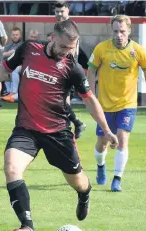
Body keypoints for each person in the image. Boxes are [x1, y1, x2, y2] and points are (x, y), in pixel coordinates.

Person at [0, 20, 118, 231]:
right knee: (11, 167)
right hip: (26, 129)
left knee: (77, 182)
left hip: (58, 133)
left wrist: (106, 130)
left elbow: (90, 100)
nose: (67, 52)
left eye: (72, 48)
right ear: (52, 37)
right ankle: (28, 226)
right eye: (64, 47)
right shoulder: (28, 49)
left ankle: (85, 193)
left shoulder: (72, 67)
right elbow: (5, 67)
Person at [88, 15, 146, 192]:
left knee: (122, 139)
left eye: (122, 31)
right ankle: (101, 166)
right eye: (116, 31)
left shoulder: (138, 51)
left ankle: (117, 178)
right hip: (104, 105)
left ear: (129, 31)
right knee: (102, 144)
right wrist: (92, 98)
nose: (119, 35)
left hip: (128, 103)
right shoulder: (101, 49)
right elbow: (90, 72)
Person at [54, 1, 86, 139]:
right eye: (57, 11)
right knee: (60, 99)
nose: (59, 14)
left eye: (62, 11)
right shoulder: (59, 26)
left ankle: (75, 124)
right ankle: (70, 125)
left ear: (68, 10)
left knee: (63, 99)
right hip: (62, 65)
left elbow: (71, 49)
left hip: (68, 66)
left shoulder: (70, 27)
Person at [1, 27, 23, 103]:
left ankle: (13, 92)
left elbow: (12, 52)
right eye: (13, 35)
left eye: (17, 35)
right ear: (11, 36)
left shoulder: (22, 44)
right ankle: (8, 92)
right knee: (2, 67)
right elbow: (2, 54)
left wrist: (4, 54)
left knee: (14, 69)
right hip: (12, 64)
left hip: (22, 65)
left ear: (20, 35)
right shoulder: (9, 45)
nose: (15, 36)